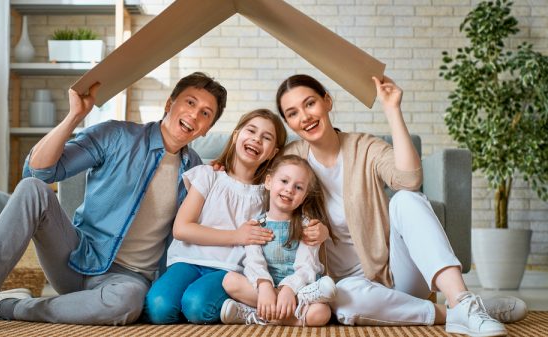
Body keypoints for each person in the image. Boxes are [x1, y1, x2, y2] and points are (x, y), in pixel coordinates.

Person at [0, 72, 227, 334]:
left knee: (127, 302)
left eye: (205, 113)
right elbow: (38, 173)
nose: (194, 114)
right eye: (190, 102)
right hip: (77, 256)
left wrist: (226, 177)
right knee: (33, 189)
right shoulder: (117, 135)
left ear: (206, 130)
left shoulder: (196, 171)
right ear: (169, 104)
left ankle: (8, 307)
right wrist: (74, 116)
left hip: (126, 281)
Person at [274, 74, 528, 337]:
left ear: (327, 101)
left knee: (407, 198)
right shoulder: (291, 160)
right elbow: (260, 187)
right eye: (292, 113)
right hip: (345, 289)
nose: (304, 117)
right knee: (342, 301)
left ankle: (460, 299)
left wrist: (392, 109)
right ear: (288, 123)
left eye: (310, 104)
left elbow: (409, 179)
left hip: (394, 275)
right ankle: (462, 311)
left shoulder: (364, 147)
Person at [144, 109, 287, 324]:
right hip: (187, 261)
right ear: (237, 135)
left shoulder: (267, 194)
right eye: (251, 131)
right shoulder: (208, 175)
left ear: (273, 153)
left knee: (197, 306)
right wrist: (237, 236)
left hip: (230, 270)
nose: (257, 139)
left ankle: (239, 308)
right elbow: (182, 229)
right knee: (158, 308)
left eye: (266, 137)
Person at [220, 154, 338, 327]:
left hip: (298, 290)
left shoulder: (308, 227)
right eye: (284, 181)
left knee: (321, 313)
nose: (289, 189)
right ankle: (283, 315)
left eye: (298, 187)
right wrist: (265, 285)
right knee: (229, 280)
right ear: (268, 182)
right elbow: (254, 263)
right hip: (263, 289)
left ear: (304, 196)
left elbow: (307, 267)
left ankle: (257, 315)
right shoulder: (256, 224)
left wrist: (289, 288)